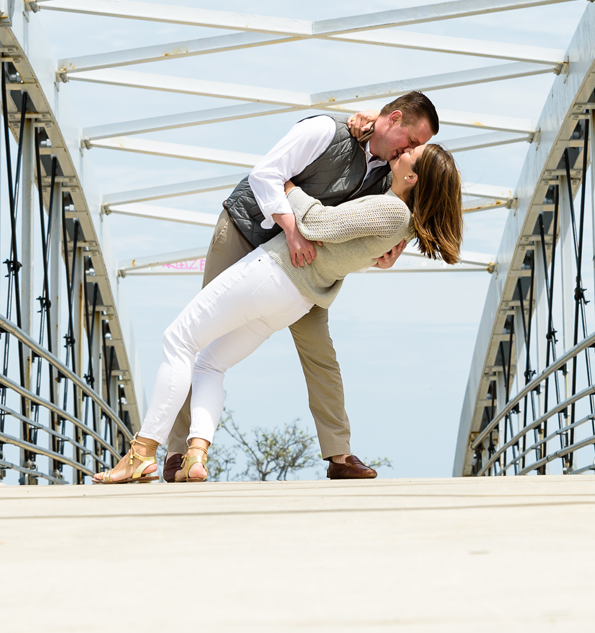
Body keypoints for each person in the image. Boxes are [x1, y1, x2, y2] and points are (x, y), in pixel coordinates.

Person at [94, 143, 463, 484]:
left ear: (412, 178)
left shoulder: (391, 211)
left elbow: (318, 224)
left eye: (413, 153)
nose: (405, 150)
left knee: (178, 339)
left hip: (273, 273)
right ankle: (195, 455)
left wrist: (288, 188)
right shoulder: (404, 221)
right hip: (294, 300)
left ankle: (142, 451)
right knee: (210, 364)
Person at [157, 92, 441, 483]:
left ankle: (339, 454)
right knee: (200, 337)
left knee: (320, 353)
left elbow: (392, 211)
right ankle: (177, 452)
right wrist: (292, 230)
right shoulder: (327, 130)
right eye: (410, 141)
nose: (411, 150)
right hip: (247, 230)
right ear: (392, 119)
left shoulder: (388, 175)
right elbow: (265, 175)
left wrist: (397, 246)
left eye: (417, 148)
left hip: (302, 269)